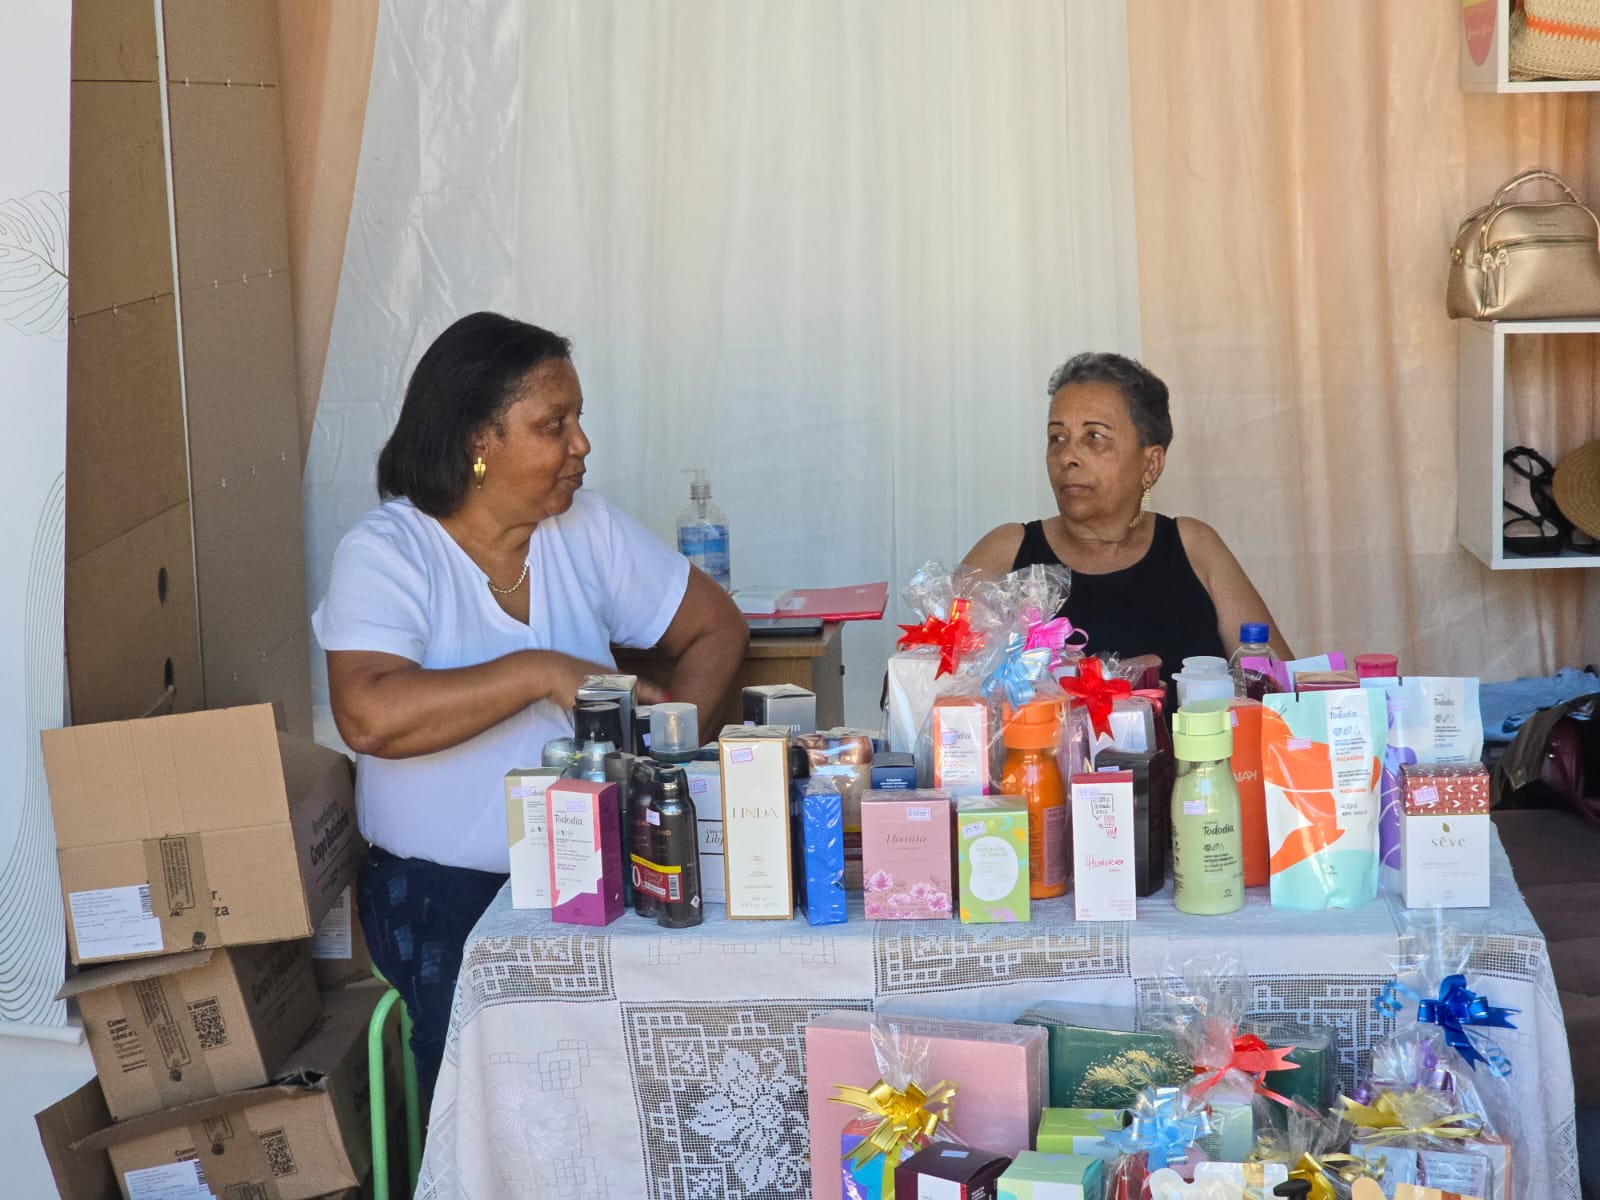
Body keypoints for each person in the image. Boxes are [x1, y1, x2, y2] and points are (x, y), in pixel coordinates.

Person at [312, 312, 747, 1106]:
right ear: (478, 439)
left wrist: (665, 753)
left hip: (606, 863)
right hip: (443, 889)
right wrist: (541, 672)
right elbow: (368, 715)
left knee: (669, 1043)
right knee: (501, 1083)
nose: (582, 444)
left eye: (577, 420)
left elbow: (716, 627)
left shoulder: (585, 529)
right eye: (554, 425)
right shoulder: (389, 552)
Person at [962, 351, 1291, 684]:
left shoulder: (1195, 546)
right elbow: (940, 684)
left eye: (1094, 437)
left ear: (1150, 464)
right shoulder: (1006, 553)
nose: (1068, 456)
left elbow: (1283, 692)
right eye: (1057, 438)